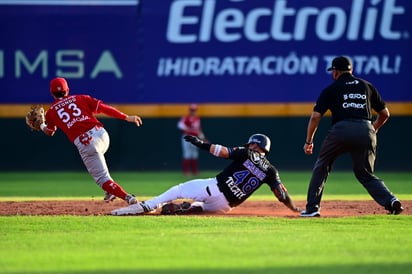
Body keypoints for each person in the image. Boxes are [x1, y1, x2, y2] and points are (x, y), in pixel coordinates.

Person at [300, 56, 403, 217]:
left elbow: (315, 117)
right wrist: (373, 128)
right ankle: (391, 201)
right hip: (365, 129)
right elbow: (385, 114)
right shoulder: (367, 86)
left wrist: (309, 141)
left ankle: (312, 208)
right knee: (365, 174)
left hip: (341, 130)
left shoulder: (331, 89)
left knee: (322, 166)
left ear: (335, 72)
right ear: (351, 70)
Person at [111, 133, 300, 216]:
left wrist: (199, 143)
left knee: (179, 189)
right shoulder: (271, 170)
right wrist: (293, 209)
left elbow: (222, 152)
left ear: (255, 145)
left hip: (215, 189)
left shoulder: (247, 152)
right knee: (201, 205)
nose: (248, 145)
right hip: (226, 206)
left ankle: (148, 205)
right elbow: (281, 195)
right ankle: (191, 208)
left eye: (251, 144)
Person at [39, 77, 143, 205]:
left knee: (102, 179)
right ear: (67, 90)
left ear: (51, 93)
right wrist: (126, 117)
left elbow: (49, 131)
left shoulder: (51, 112)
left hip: (87, 143)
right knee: (100, 159)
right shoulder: (81, 98)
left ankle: (128, 198)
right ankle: (110, 192)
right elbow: (104, 108)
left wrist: (41, 125)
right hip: (102, 135)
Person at [177, 104, 206, 176]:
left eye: (194, 110)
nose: (193, 111)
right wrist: (189, 129)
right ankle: (186, 172)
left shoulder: (197, 118)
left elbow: (199, 130)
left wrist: (202, 137)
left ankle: (194, 172)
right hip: (187, 137)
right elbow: (180, 125)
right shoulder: (186, 118)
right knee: (187, 154)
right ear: (190, 110)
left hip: (195, 137)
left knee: (194, 154)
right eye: (192, 110)